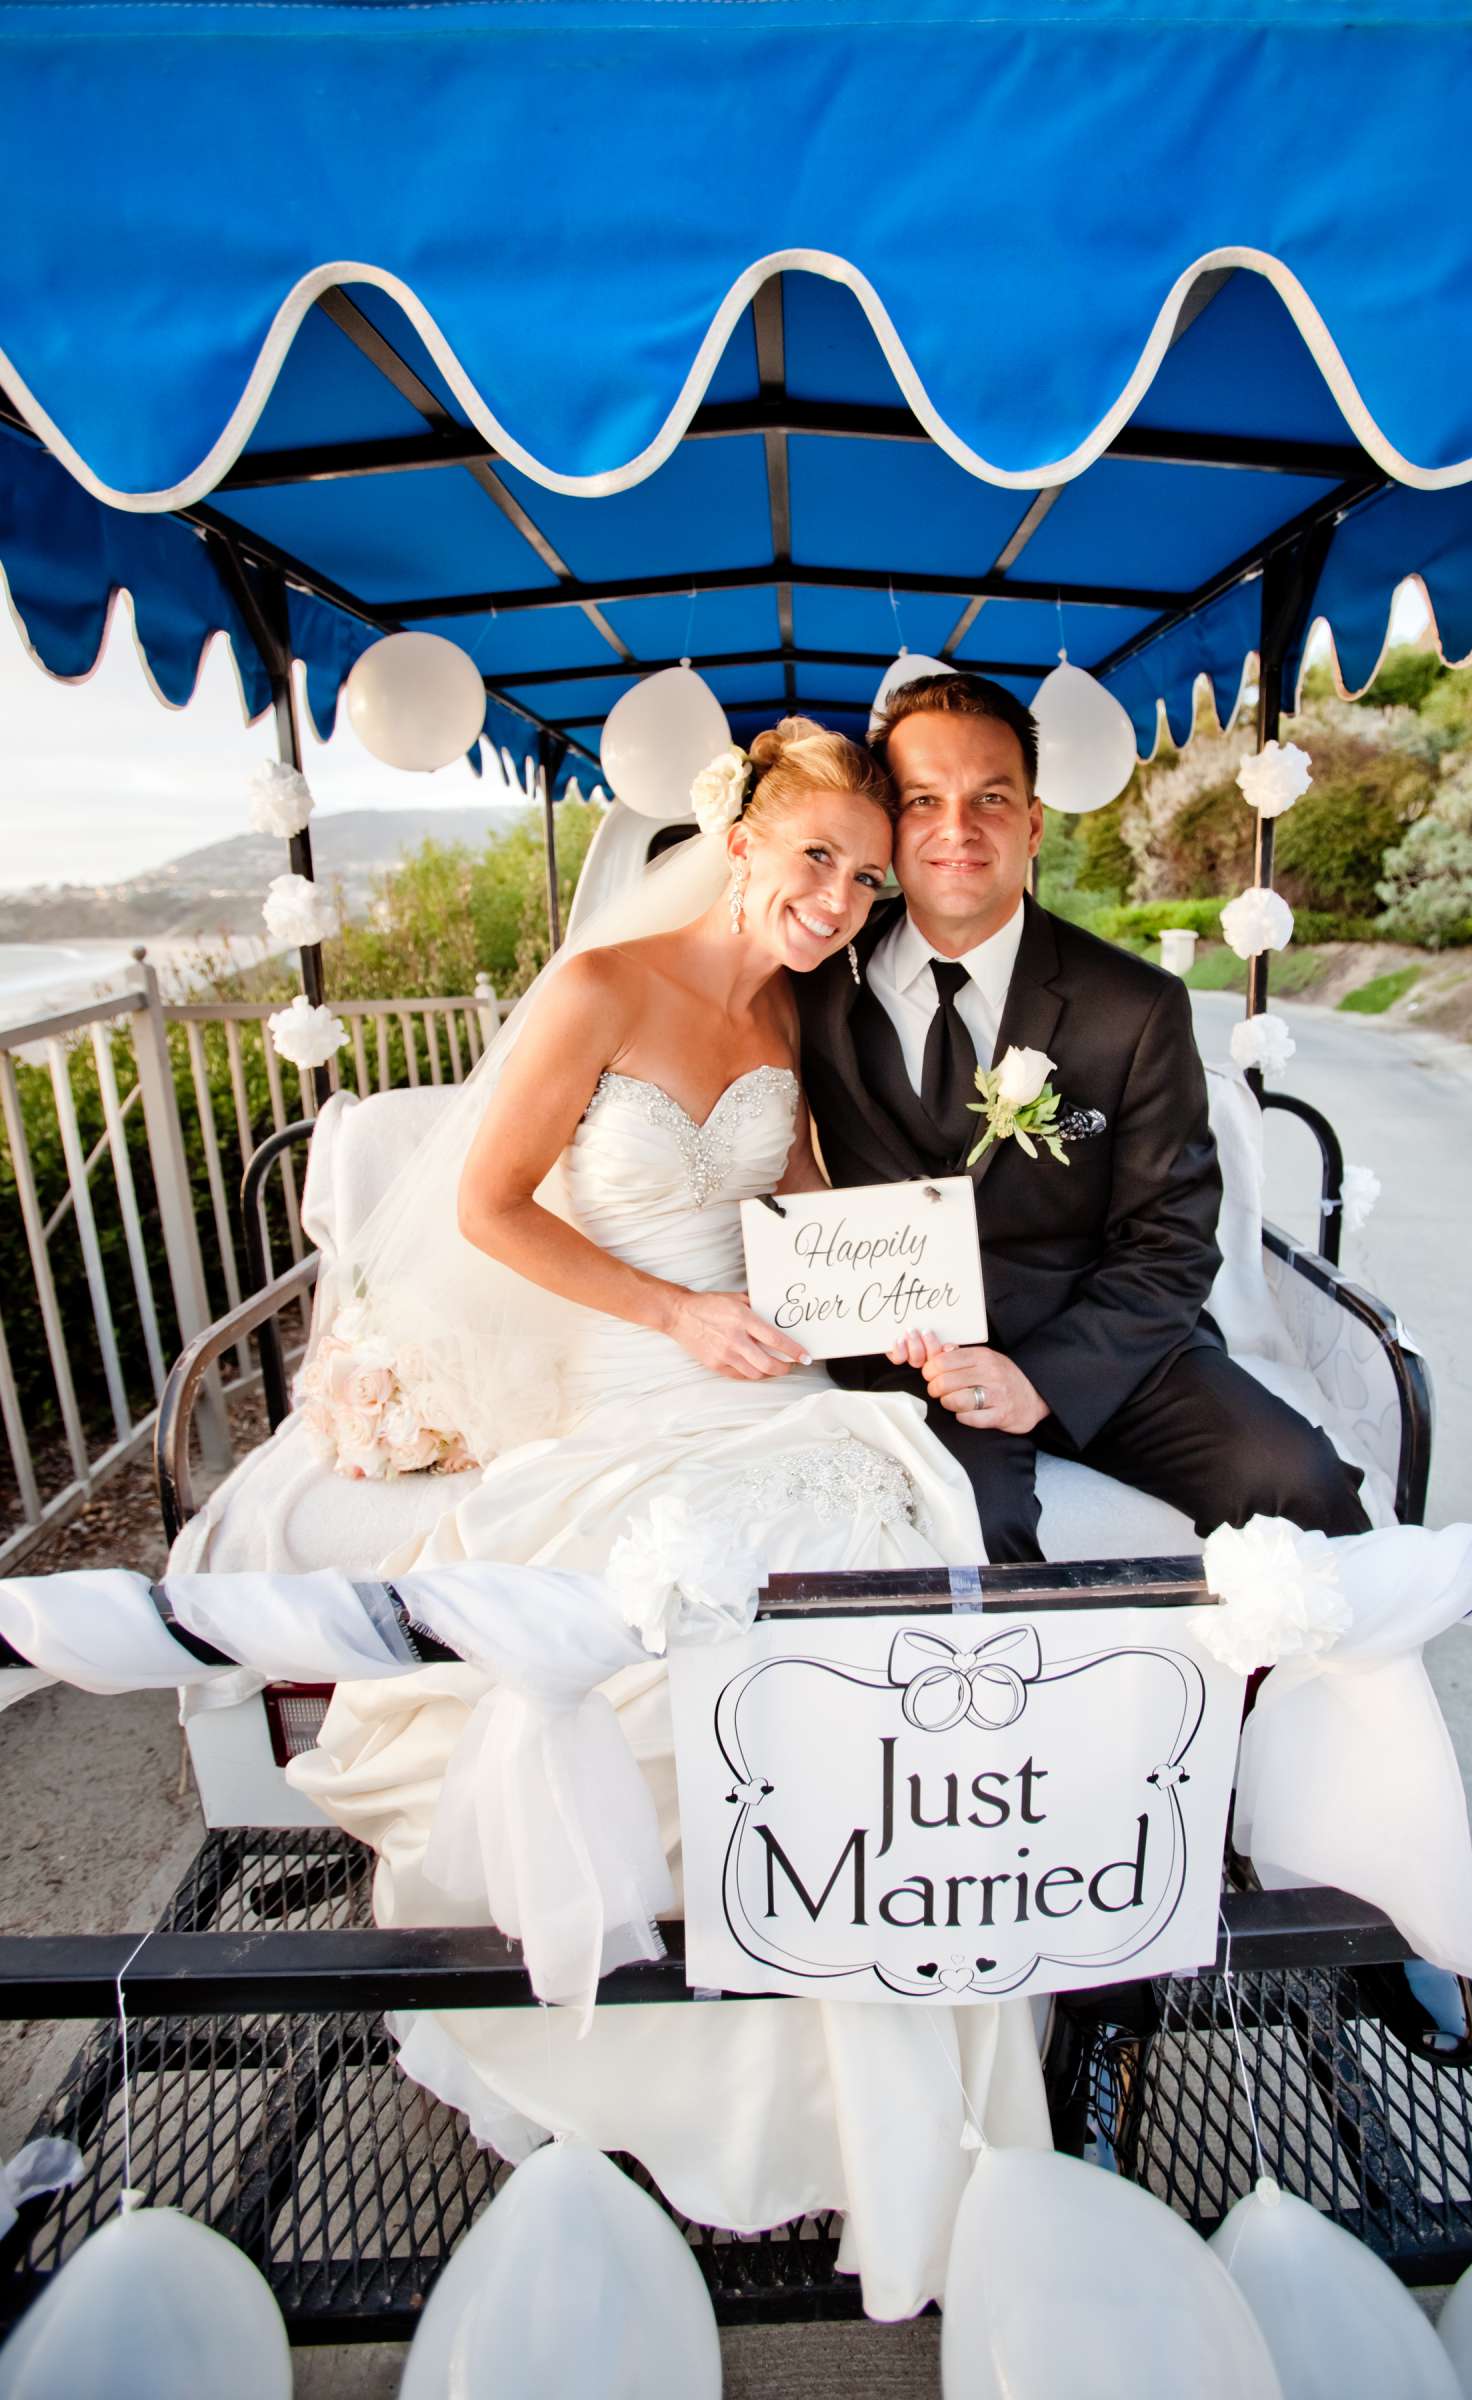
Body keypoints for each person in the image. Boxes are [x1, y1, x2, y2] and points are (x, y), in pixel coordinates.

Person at [287, 718, 1050, 2324]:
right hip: (632, 1381)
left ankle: (872, 2019)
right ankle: (677, 2080)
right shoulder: (598, 994)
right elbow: (492, 1208)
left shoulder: (800, 1019)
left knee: (878, 1577)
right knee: (681, 1613)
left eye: (863, 872)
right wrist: (663, 1310)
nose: (840, 897)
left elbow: (824, 1222)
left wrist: (907, 1307)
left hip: (766, 1377)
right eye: (815, 859)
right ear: (743, 837)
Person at [797, 672, 1370, 1564]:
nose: (957, 828)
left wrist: (1044, 1379)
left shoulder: (1132, 1005)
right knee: (961, 1529)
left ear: (1031, 823)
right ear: (891, 823)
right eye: (923, 800)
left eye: (991, 798)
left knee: (1296, 1480)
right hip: (909, 1357)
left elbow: (1172, 1237)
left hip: (1106, 1342)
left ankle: (1260, 1703)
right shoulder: (815, 986)